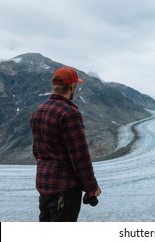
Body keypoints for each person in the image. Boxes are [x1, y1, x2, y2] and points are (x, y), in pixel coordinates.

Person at [31, 66, 101, 222]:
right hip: (64, 189)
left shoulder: (38, 111)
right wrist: (91, 187)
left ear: (54, 86)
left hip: (44, 186)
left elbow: (37, 151)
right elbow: (79, 155)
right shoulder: (69, 113)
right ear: (72, 86)